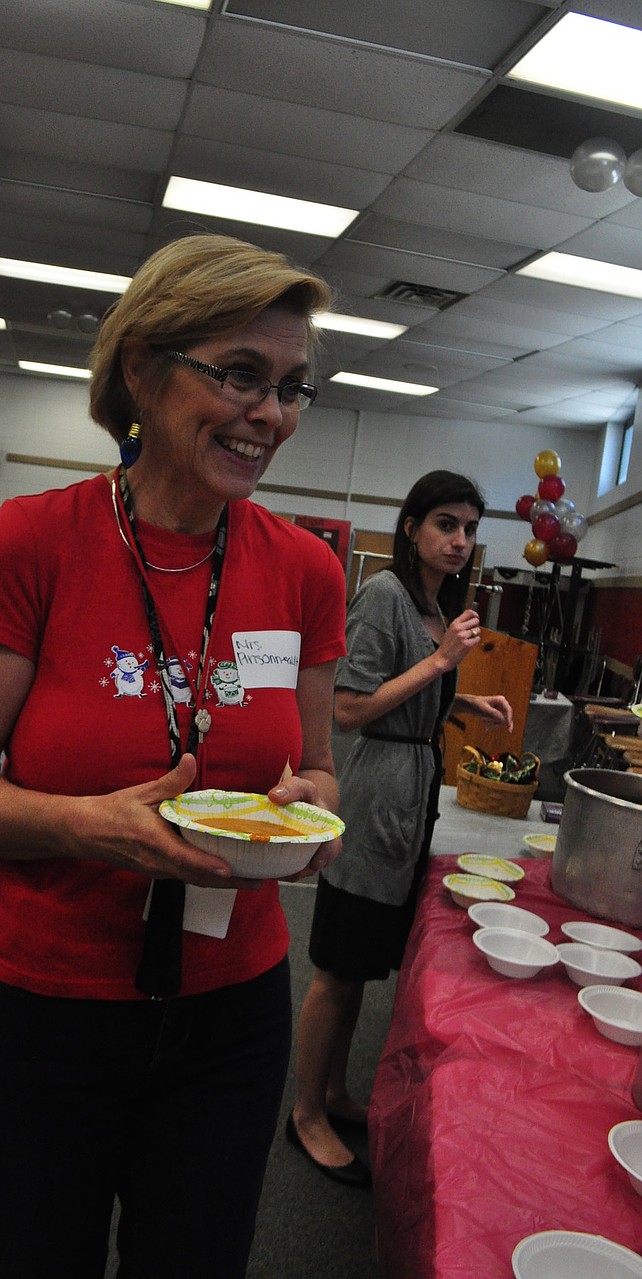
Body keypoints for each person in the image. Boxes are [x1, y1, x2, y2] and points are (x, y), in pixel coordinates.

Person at [0, 233, 347, 1279]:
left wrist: (306, 809)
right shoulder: (32, 540)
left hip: (229, 1009)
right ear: (142, 369)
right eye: (240, 374)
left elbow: (322, 768)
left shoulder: (305, 571)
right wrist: (81, 822)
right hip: (41, 1007)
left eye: (291, 387)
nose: (271, 415)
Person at [289, 470, 514, 1185]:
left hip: (409, 796)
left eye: (471, 528)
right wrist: (446, 661)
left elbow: (409, 687)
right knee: (336, 968)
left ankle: (332, 1090)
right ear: (412, 526)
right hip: (371, 793)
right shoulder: (383, 596)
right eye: (446, 523)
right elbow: (351, 706)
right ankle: (304, 1114)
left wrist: (463, 696)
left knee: (360, 970)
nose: (460, 541)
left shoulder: (429, 604)